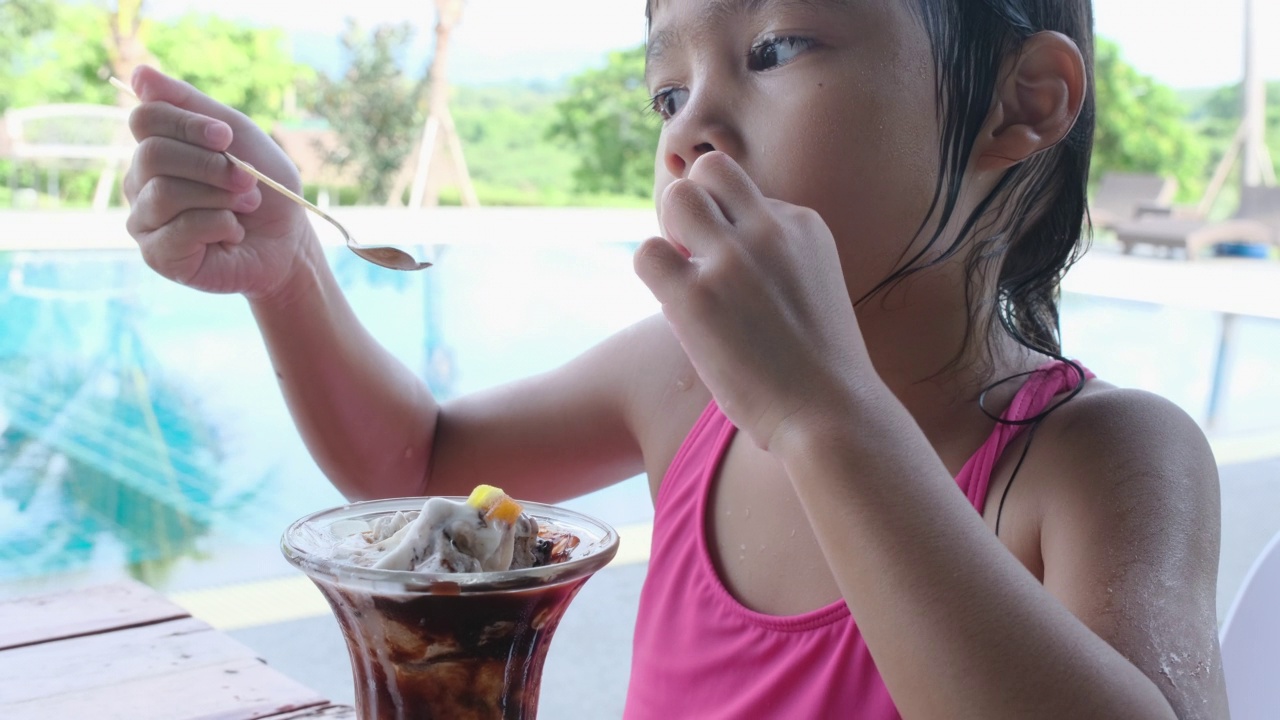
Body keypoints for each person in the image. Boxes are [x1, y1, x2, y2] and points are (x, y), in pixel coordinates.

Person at [121, 0, 1229, 717]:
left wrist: (823, 419)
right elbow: (418, 458)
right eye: (666, 89)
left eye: (773, 47)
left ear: (1020, 101)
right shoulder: (680, 381)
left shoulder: (1099, 459)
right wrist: (289, 274)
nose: (685, 128)